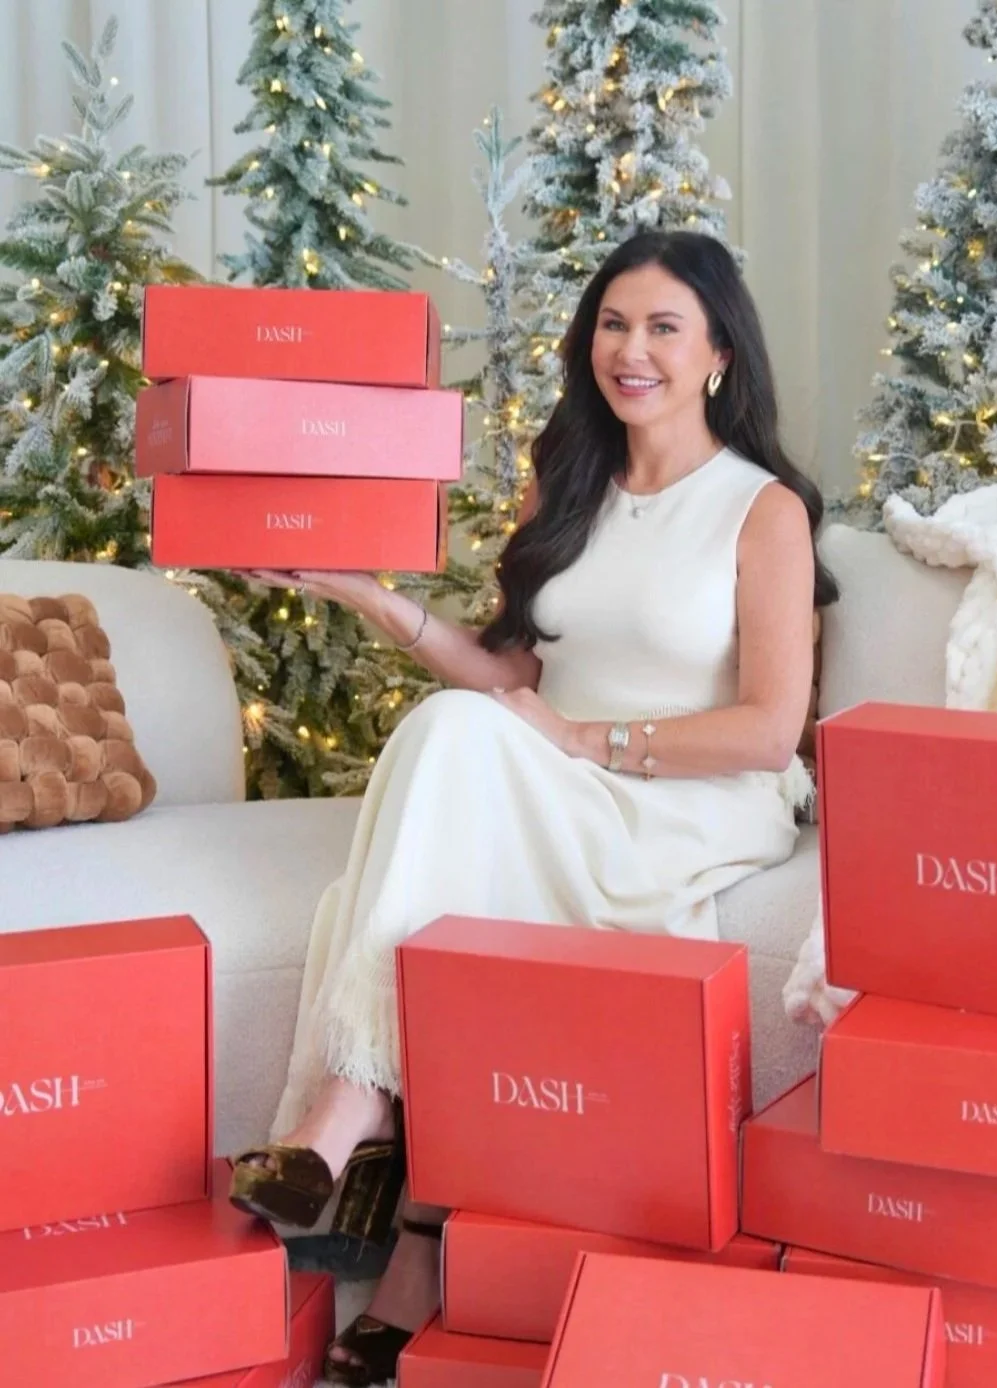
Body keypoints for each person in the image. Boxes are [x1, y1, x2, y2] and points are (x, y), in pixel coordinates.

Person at [235, 228, 838, 1385]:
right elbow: (511, 676)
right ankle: (406, 1228)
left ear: (718, 351)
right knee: (454, 734)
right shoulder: (567, 479)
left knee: (464, 763)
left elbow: (771, 726)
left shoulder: (763, 511)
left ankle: (344, 1125)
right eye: (615, 323)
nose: (633, 349)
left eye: (664, 326)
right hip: (559, 775)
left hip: (696, 797)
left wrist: (580, 737)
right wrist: (362, 592)